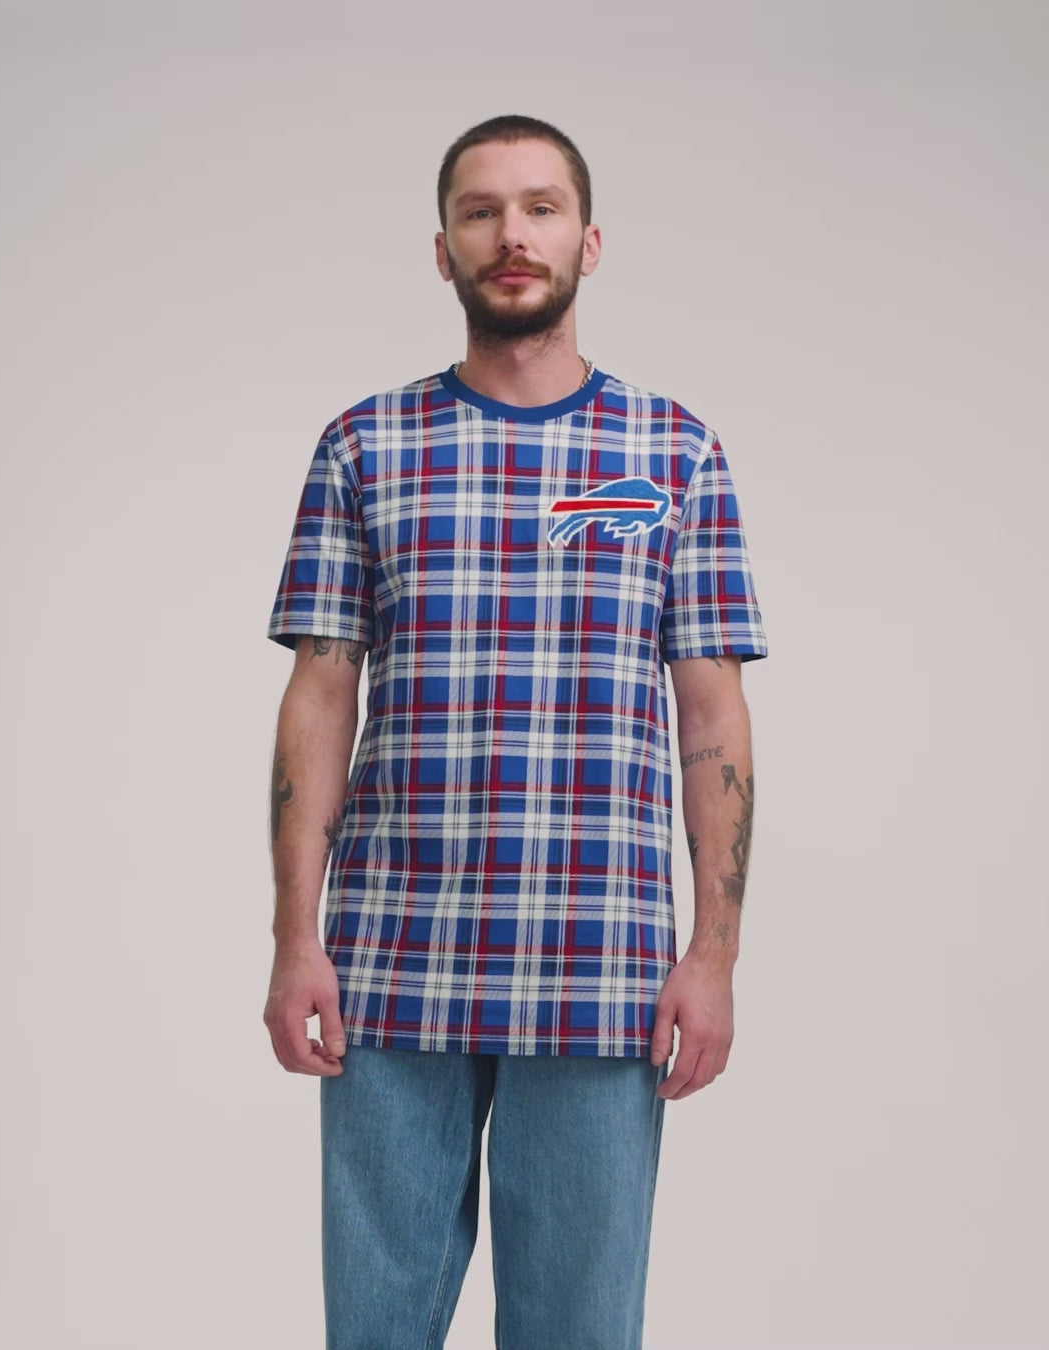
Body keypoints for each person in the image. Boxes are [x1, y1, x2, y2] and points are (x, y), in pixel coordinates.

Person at [262, 113, 769, 1350]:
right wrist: (294, 939)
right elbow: (321, 694)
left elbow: (713, 715)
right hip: (390, 966)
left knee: (579, 1332)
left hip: (601, 971)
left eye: (541, 207)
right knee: (377, 1331)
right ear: (442, 249)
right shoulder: (365, 446)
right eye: (480, 211)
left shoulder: (672, 453)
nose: (511, 235)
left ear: (589, 243)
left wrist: (713, 955)